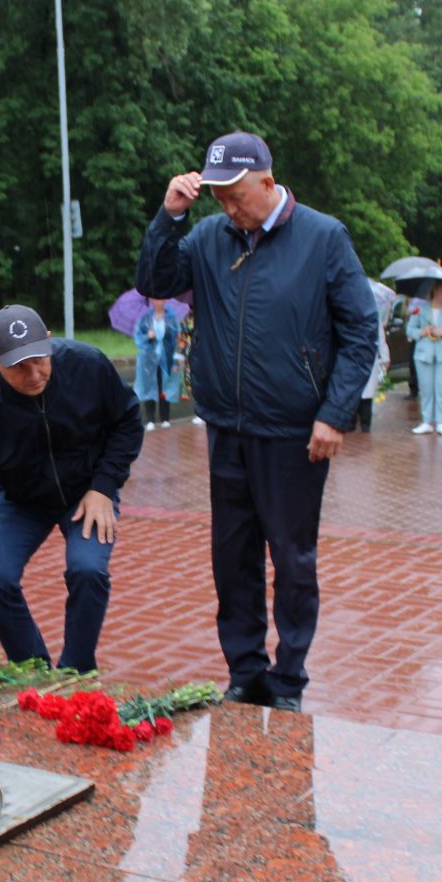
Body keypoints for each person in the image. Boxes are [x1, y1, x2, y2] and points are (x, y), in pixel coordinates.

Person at [135, 130, 378, 711]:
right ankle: (245, 670)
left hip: (295, 435)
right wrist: (170, 218)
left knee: (293, 561)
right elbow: (155, 283)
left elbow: (360, 330)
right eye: (215, 195)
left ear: (267, 182)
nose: (226, 206)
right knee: (233, 559)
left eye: (235, 194)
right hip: (228, 428)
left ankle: (289, 680)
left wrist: (335, 413)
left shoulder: (323, 238)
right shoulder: (210, 236)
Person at [0, 306, 142, 672]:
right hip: (21, 500)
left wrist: (104, 485)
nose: (35, 374)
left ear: (49, 340)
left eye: (40, 359)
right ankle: (33, 671)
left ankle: (76, 671)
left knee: (87, 569)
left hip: (87, 493)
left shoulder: (88, 365)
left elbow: (128, 420)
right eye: (19, 367)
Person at [406, 283, 442, 436]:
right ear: (435, 292)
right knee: (426, 387)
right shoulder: (421, 308)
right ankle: (427, 421)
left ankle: (441, 421)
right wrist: (423, 332)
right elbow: (410, 330)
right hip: (424, 353)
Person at [134, 298, 182, 428]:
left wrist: (176, 362)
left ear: (164, 300)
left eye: (159, 298)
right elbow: (138, 338)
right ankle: (150, 420)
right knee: (149, 387)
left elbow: (178, 340)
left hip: (166, 358)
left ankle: (165, 418)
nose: (156, 301)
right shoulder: (146, 318)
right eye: (153, 299)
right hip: (149, 361)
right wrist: (147, 336)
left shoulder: (171, 318)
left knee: (165, 387)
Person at [355, 314, 390, 432]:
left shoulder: (372, 312)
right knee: (351, 390)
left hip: (368, 355)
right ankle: (350, 421)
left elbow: (380, 336)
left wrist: (385, 357)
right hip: (350, 355)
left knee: (367, 392)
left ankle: (365, 423)